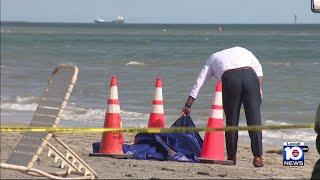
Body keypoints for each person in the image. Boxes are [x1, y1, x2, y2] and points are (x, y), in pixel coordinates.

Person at [182, 46, 264, 167]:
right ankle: (257, 157)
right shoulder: (243, 50)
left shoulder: (213, 57)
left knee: (232, 121)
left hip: (231, 79)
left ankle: (231, 158)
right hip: (251, 78)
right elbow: (259, 71)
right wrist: (259, 93)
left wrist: (188, 104)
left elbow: (200, 81)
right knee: (254, 121)